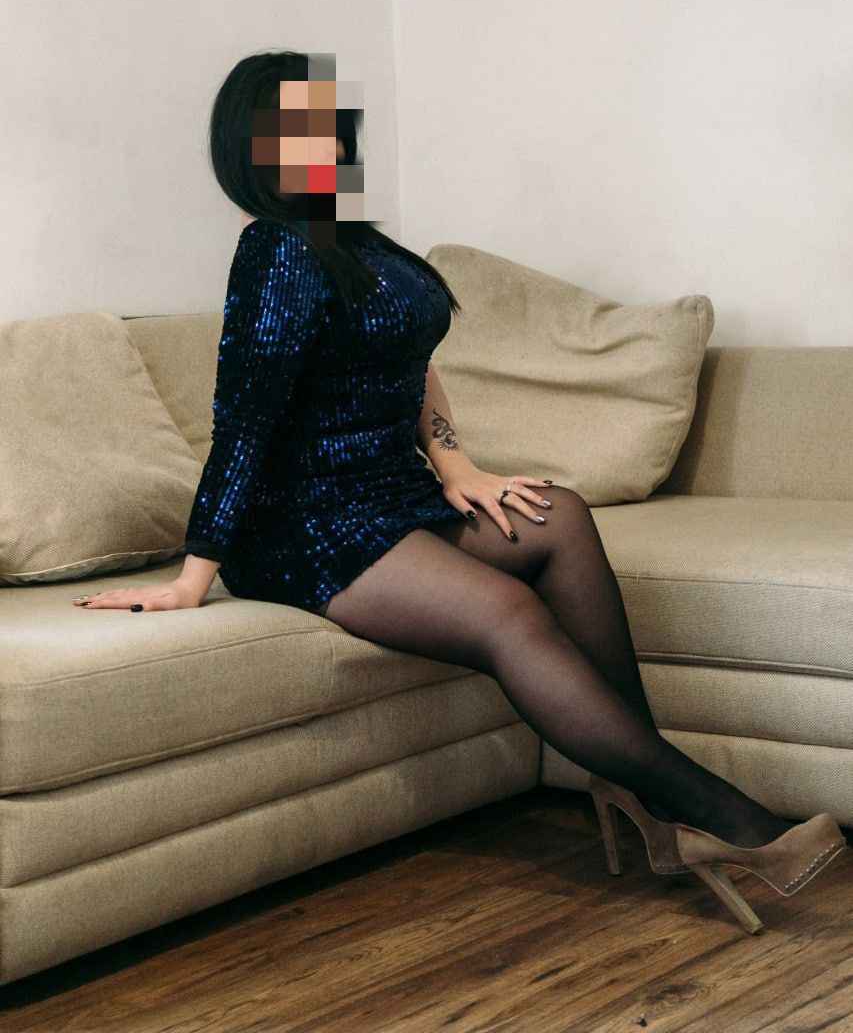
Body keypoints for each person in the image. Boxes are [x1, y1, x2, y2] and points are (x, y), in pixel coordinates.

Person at [72, 50, 846, 927]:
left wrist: (457, 466)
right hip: (307, 526)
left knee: (557, 516)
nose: (320, 139)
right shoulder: (274, 248)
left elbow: (414, 364)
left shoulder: (353, 238)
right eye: (292, 127)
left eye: (327, 121)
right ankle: (715, 813)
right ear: (250, 146)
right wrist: (193, 575)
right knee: (504, 611)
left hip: (389, 497)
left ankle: (647, 795)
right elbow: (244, 421)